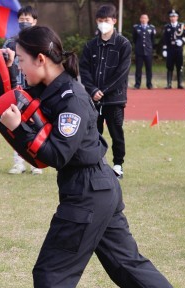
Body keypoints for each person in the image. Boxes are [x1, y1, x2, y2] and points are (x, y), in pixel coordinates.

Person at [0, 25, 185, 288]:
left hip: (87, 191)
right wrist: (2, 76)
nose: (19, 67)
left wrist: (19, 129)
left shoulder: (71, 97)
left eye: (21, 60)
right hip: (96, 188)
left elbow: (58, 154)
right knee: (126, 266)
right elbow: (23, 99)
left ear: (41, 59)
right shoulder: (51, 87)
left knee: (51, 274)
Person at [80, 4, 131, 179]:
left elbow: (121, 73)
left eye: (107, 21)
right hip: (93, 99)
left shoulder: (123, 44)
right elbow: (84, 70)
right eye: (100, 21)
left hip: (114, 99)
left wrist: (104, 91)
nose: (103, 24)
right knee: (93, 132)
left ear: (114, 21)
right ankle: (96, 162)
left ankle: (118, 165)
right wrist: (93, 90)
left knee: (116, 131)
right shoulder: (91, 46)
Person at [3, 5, 43, 175]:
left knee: (35, 124)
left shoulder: (41, 41)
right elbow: (3, 63)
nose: (24, 22)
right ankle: (18, 162)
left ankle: (36, 162)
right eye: (22, 19)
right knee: (16, 125)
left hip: (35, 89)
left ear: (35, 21)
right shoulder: (10, 41)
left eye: (28, 19)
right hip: (16, 88)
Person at [162, 9, 185, 89]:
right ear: (169, 18)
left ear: (177, 17)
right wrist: (164, 49)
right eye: (171, 17)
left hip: (178, 49)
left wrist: (182, 41)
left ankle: (180, 84)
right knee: (169, 66)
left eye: (174, 16)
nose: (173, 18)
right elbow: (164, 39)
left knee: (179, 66)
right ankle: (169, 84)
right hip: (170, 49)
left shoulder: (182, 26)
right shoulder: (167, 27)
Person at [132, 14, 156, 89]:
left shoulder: (151, 28)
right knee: (138, 69)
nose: (143, 19)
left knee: (149, 69)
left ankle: (149, 84)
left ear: (148, 19)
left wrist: (150, 48)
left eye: (145, 18)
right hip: (139, 51)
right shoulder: (136, 28)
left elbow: (153, 40)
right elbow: (134, 39)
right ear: (140, 19)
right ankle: (137, 84)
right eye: (142, 18)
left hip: (148, 51)